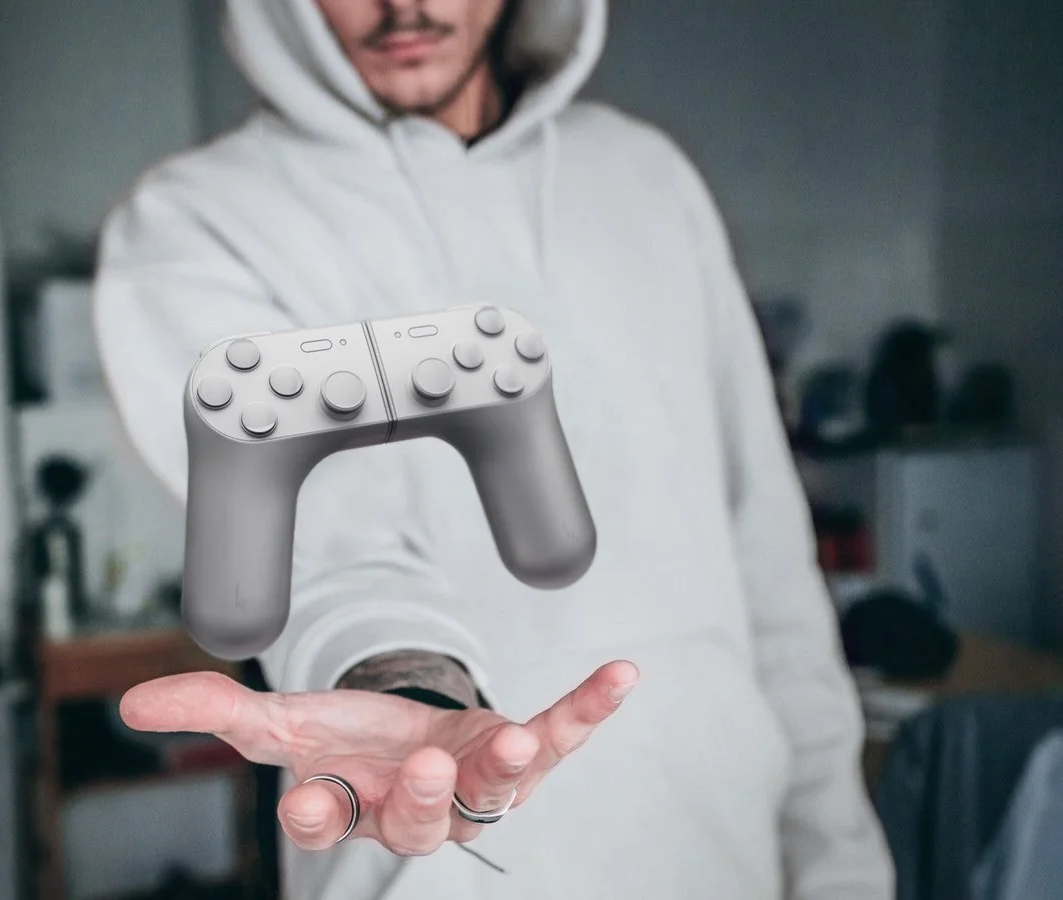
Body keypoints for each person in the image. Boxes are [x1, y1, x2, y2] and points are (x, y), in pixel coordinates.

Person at [92, 0, 895, 897]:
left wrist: (839, 858)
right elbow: (328, 556)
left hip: (719, 849)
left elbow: (766, 551)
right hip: (432, 860)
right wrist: (417, 697)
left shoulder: (645, 178)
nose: (404, 7)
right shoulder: (197, 222)